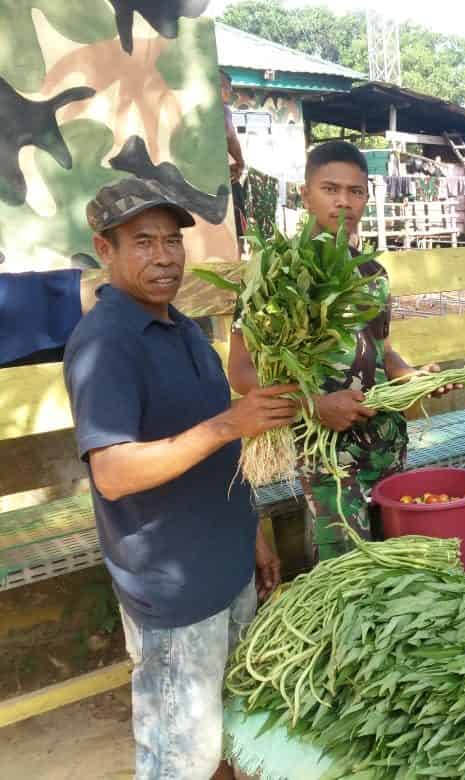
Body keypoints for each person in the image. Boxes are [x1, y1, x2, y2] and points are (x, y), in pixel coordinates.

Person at [64, 177, 298, 780]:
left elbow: (214, 449)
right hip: (173, 591)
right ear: (105, 248)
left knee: (228, 734)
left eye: (172, 240)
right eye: (143, 241)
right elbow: (113, 473)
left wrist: (252, 531)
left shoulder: (184, 328)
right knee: (179, 758)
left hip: (223, 566)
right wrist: (229, 425)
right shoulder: (106, 344)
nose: (165, 256)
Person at [228, 140, 456, 561]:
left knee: (396, 561)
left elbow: (382, 350)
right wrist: (313, 405)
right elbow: (241, 371)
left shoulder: (371, 273)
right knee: (345, 572)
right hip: (327, 458)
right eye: (330, 189)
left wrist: (414, 379)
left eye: (355, 192)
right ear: (305, 194)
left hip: (386, 441)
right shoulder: (277, 273)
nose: (344, 202)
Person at [220, 70, 246, 254]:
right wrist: (240, 162)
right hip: (223, 177)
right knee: (236, 222)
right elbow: (229, 134)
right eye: (228, 89)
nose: (230, 93)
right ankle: (237, 255)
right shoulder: (222, 109)